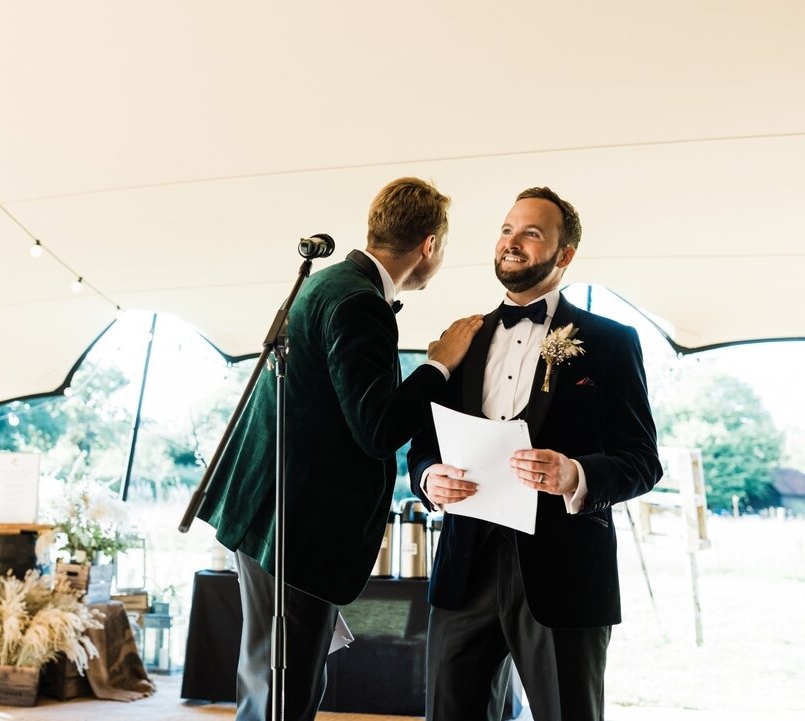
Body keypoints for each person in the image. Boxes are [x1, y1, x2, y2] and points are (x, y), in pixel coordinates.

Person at [197, 177, 483, 721]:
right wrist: (438, 363)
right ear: (430, 245)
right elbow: (377, 428)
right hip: (297, 528)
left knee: (269, 679)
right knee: (287, 689)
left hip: (266, 511)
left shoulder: (325, 283)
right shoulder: (361, 302)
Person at [408, 187, 663, 721]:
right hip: (464, 568)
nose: (512, 242)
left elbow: (641, 458)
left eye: (531, 232)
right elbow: (426, 441)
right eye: (506, 229)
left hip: (565, 573)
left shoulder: (611, 341)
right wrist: (428, 476)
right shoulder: (462, 338)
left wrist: (575, 474)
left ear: (564, 254)